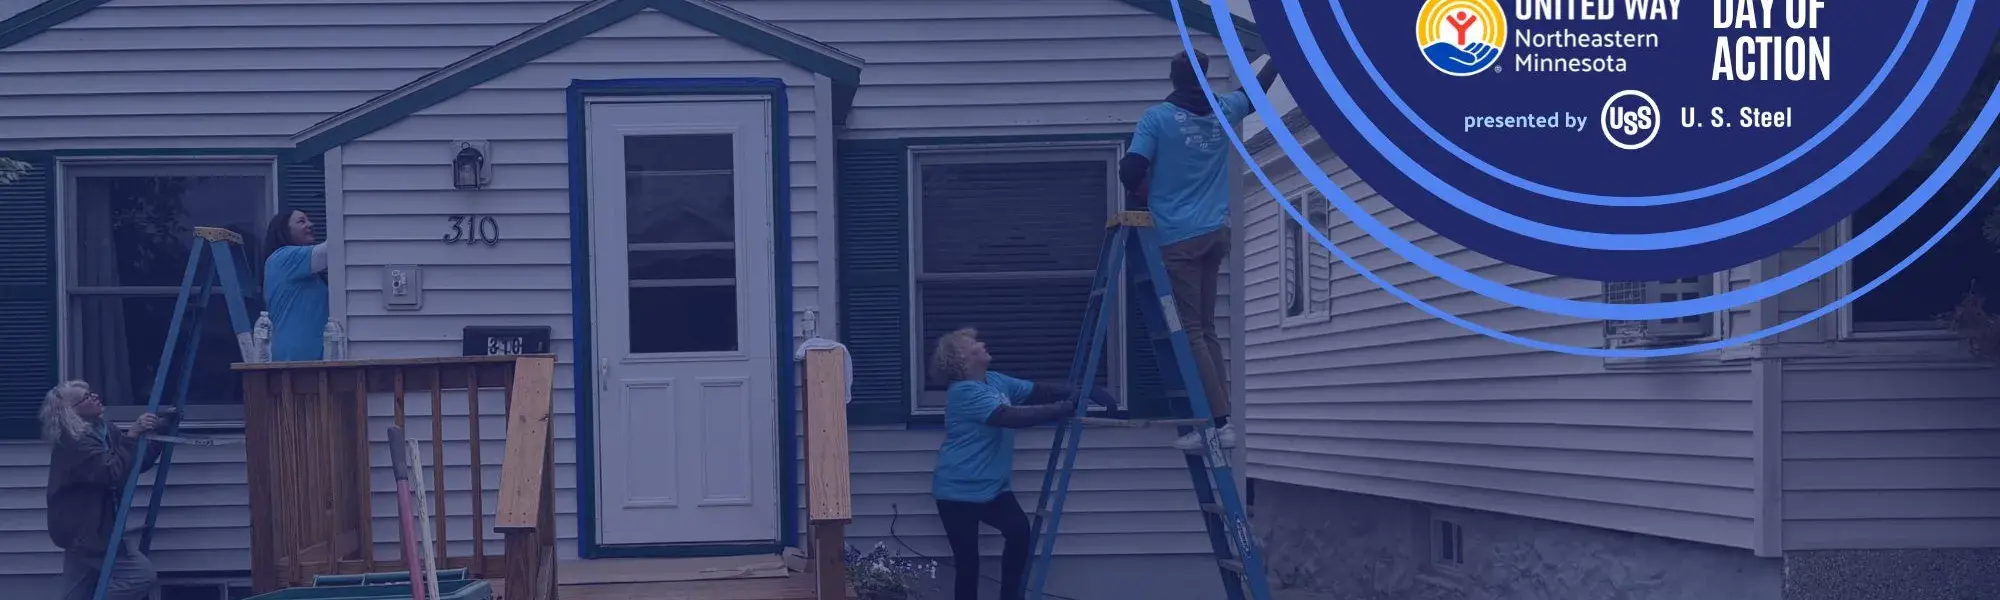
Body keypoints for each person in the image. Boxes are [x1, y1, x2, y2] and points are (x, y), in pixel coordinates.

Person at [1120, 50, 1281, 452]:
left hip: (1178, 236)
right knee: (1206, 330)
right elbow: (1257, 90)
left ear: (1173, 79)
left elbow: (1129, 171)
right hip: (1215, 233)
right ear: (1204, 77)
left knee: (1191, 331)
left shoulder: (1156, 118)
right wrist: (1280, 57)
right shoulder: (1223, 107)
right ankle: (1222, 421)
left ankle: (1216, 425)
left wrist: (1145, 187)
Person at [930, 328, 1118, 600]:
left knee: (1019, 533)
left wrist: (1086, 391)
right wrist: (1067, 406)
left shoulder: (994, 381)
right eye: (974, 344)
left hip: (994, 489)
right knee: (968, 566)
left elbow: (1038, 391)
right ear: (962, 359)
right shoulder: (962, 392)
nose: (982, 343)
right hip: (956, 491)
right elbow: (1009, 417)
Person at [43, 380, 164, 600]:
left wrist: (156, 435)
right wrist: (132, 435)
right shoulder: (74, 441)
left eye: (92, 393)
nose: (95, 397)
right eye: (87, 397)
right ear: (70, 411)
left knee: (78, 590)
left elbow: (131, 462)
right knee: (140, 576)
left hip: (91, 526)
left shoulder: (103, 429)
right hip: (87, 530)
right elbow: (112, 472)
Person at [263, 209, 329, 362]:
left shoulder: (308, 272)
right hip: (295, 359)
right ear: (284, 230)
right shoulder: (282, 257)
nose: (310, 224)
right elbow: (329, 251)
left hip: (310, 358)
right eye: (302, 221)